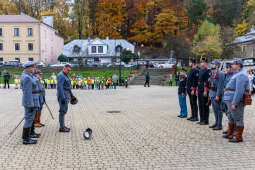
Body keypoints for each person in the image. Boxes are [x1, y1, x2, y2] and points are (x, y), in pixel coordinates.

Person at [222, 59, 249, 143]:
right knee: (231, 116)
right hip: (229, 98)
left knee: (238, 118)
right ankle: (230, 133)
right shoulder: (237, 74)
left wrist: (235, 102)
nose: (232, 65)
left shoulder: (241, 75)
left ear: (238, 65)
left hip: (234, 99)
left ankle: (238, 137)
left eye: (233, 64)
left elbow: (239, 91)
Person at [20, 61, 40, 145]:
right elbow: (27, 93)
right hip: (30, 102)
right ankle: (26, 139)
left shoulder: (27, 75)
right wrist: (30, 105)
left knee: (30, 119)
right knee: (28, 120)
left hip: (32, 100)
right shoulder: (27, 77)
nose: (34, 68)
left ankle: (28, 136)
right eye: (33, 67)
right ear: (28, 68)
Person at [208, 60, 225, 130]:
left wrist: (218, 95)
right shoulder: (212, 73)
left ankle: (219, 124)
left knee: (219, 110)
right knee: (214, 109)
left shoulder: (220, 73)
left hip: (216, 93)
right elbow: (211, 83)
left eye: (213, 64)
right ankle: (216, 122)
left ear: (217, 66)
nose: (212, 65)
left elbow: (220, 86)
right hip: (212, 93)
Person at [57, 64, 73, 132]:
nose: (69, 71)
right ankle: (62, 127)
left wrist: (72, 95)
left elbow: (68, 87)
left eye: (70, 70)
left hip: (67, 95)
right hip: (63, 96)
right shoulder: (61, 75)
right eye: (68, 70)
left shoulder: (65, 75)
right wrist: (63, 98)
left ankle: (63, 125)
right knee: (62, 111)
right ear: (64, 68)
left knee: (64, 111)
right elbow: (59, 88)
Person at [197, 57, 210, 125]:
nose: (201, 63)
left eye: (203, 62)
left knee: (205, 105)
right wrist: (197, 89)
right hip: (199, 89)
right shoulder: (201, 70)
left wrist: (205, 90)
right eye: (201, 62)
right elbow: (199, 81)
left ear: (206, 63)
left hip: (204, 90)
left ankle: (206, 120)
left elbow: (207, 82)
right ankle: (202, 119)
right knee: (200, 105)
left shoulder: (207, 70)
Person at [222, 63, 234, 135]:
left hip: (230, 97)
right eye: (226, 68)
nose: (226, 69)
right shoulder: (226, 75)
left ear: (231, 68)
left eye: (228, 68)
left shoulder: (233, 76)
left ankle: (233, 130)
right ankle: (230, 128)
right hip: (225, 97)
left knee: (231, 114)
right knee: (228, 114)